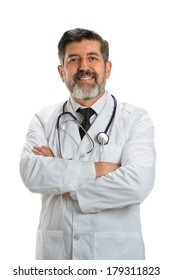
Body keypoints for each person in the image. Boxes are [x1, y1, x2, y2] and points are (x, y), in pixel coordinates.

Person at [20, 28, 156, 260]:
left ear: (107, 68)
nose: (84, 67)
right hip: (56, 257)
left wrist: (64, 182)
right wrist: (101, 169)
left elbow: (138, 183)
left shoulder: (135, 119)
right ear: (61, 72)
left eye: (92, 58)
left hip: (115, 258)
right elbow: (31, 173)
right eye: (74, 60)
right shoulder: (43, 119)